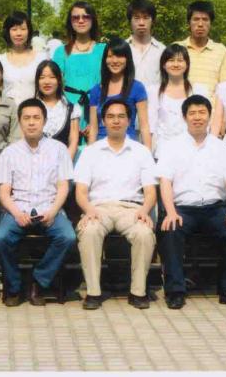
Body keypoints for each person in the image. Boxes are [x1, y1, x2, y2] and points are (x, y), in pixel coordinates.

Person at [157, 95, 226, 310]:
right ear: (184, 117)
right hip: (183, 209)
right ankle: (175, 291)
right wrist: (170, 212)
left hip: (215, 208)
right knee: (170, 229)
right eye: (192, 113)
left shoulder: (221, 147)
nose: (197, 117)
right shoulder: (171, 147)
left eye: (202, 113)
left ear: (209, 116)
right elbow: (165, 182)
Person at [74, 98, 157, 310]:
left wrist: (145, 211)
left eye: (121, 116)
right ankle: (93, 292)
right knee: (89, 231)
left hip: (131, 209)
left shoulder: (141, 151)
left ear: (129, 120)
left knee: (144, 233)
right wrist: (88, 210)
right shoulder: (90, 152)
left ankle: (138, 292)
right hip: (98, 208)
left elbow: (150, 192)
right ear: (103, 121)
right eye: (110, 117)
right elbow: (81, 192)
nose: (116, 121)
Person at [0, 99, 76, 307]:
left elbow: (63, 187)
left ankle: (38, 281)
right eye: (27, 118)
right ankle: (14, 286)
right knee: (0, 238)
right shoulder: (9, 152)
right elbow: (3, 193)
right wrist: (16, 213)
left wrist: (53, 211)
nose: (31, 123)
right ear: (20, 121)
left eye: (36, 118)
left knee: (67, 237)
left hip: (50, 208)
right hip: (17, 210)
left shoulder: (59, 149)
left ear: (44, 121)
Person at [51, 1, 106, 133]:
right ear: (70, 21)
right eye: (76, 17)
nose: (81, 21)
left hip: (98, 110)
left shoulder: (103, 49)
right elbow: (55, 85)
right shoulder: (61, 52)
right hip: (68, 113)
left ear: (93, 20)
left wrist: (96, 121)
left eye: (86, 17)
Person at [87, 38, 151, 148]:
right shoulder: (96, 90)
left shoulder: (137, 88)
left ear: (127, 59)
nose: (115, 61)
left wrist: (148, 154)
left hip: (128, 148)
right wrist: (89, 154)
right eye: (110, 56)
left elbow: (144, 127)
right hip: (101, 148)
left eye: (119, 56)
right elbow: (93, 128)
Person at [150, 44, 208, 156]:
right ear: (163, 64)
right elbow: (151, 127)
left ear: (187, 64)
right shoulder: (154, 91)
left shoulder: (198, 90)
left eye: (180, 60)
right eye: (171, 60)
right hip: (163, 152)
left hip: (192, 151)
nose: (176, 64)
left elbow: (206, 123)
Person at [174, 0, 226, 93]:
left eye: (205, 19)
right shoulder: (177, 48)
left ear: (211, 23)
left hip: (212, 102)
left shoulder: (221, 51)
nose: (200, 24)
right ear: (189, 23)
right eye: (196, 19)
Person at [0, 11, 45, 108]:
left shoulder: (41, 58)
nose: (19, 33)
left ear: (29, 31)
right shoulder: (0, 60)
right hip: (8, 113)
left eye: (23, 29)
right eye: (14, 29)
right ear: (8, 32)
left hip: (34, 113)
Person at [34, 60, 81, 159]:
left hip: (63, 163)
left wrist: (65, 164)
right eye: (42, 77)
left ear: (59, 80)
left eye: (52, 77)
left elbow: (73, 141)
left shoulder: (71, 108)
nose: (47, 82)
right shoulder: (30, 107)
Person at [126, 0, 165, 94]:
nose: (141, 23)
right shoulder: (122, 49)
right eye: (136, 18)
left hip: (155, 101)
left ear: (153, 21)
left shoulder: (162, 50)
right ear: (130, 21)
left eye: (146, 18)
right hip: (127, 101)